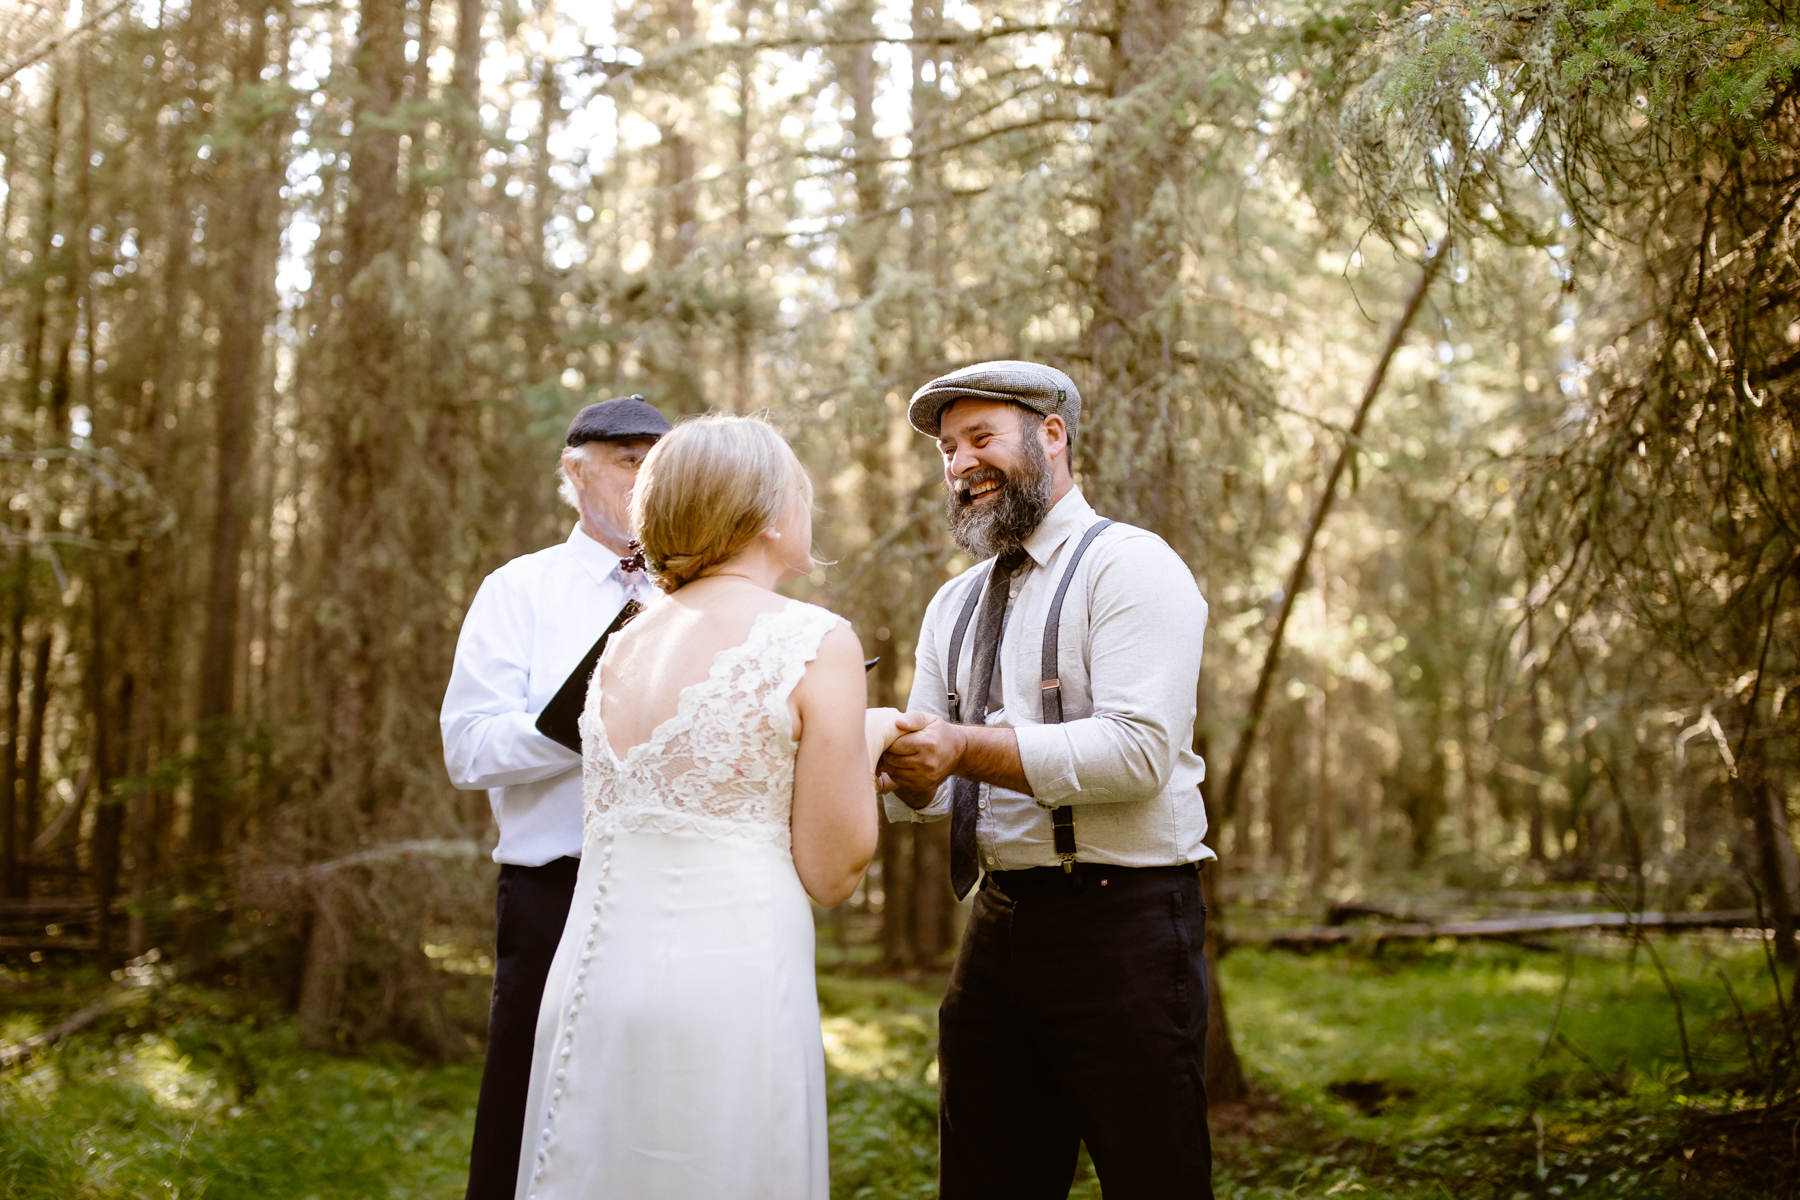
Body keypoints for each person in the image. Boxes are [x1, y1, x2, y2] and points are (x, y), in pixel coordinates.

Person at [514, 414, 889, 1200]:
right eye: (800, 488)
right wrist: (870, 739)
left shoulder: (624, 645)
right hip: (731, 983)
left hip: (593, 983)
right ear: (767, 510)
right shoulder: (813, 639)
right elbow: (834, 866)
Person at [877, 360, 1216, 1199]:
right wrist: (901, 769)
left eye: (981, 438)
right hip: (994, 931)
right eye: (948, 450)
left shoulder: (1131, 566)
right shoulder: (950, 607)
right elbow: (943, 791)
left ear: (1052, 435)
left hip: (1127, 926)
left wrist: (959, 747)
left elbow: (1138, 754)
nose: (959, 464)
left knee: (1154, 1178)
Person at [441, 394, 672, 1200]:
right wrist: (588, 715)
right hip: (552, 895)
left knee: (658, 1115)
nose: (647, 477)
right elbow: (468, 749)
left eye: (660, 459)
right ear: (574, 472)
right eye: (627, 459)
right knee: (527, 1109)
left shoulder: (705, 596)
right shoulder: (520, 590)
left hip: (679, 892)